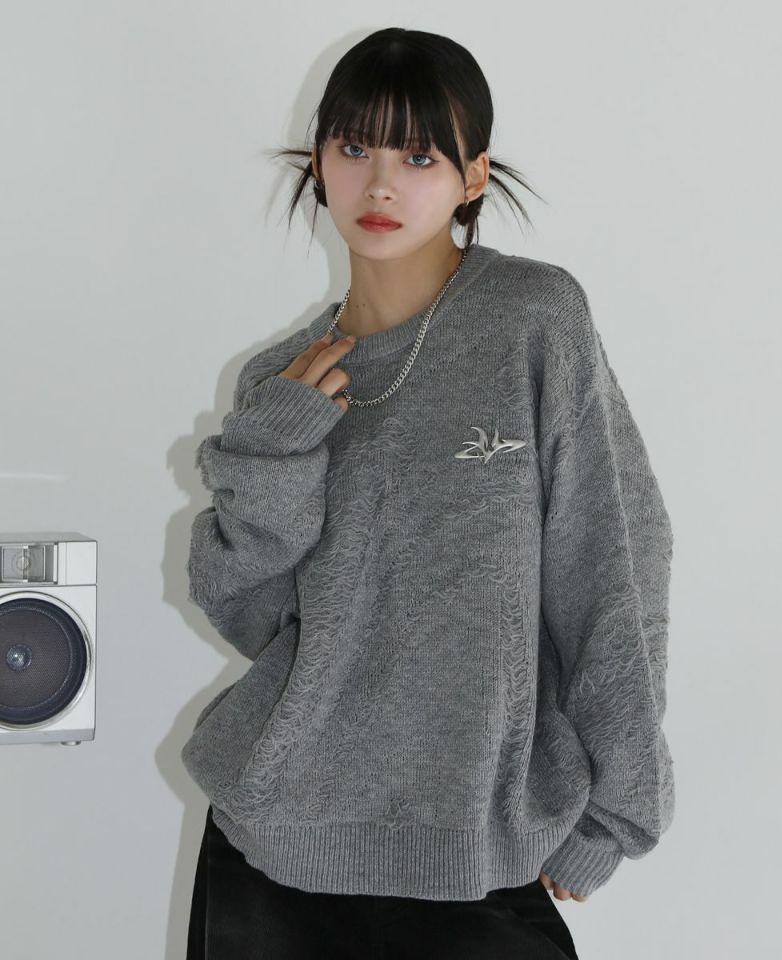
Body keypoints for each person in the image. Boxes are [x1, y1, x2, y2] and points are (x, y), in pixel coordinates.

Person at [183, 26, 675, 960]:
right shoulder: (279, 383)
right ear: (318, 161)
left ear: (472, 175)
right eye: (354, 147)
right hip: (276, 853)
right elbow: (249, 615)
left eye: (418, 156)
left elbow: (614, 566)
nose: (379, 185)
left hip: (481, 853)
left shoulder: (533, 320)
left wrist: (618, 809)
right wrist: (277, 449)